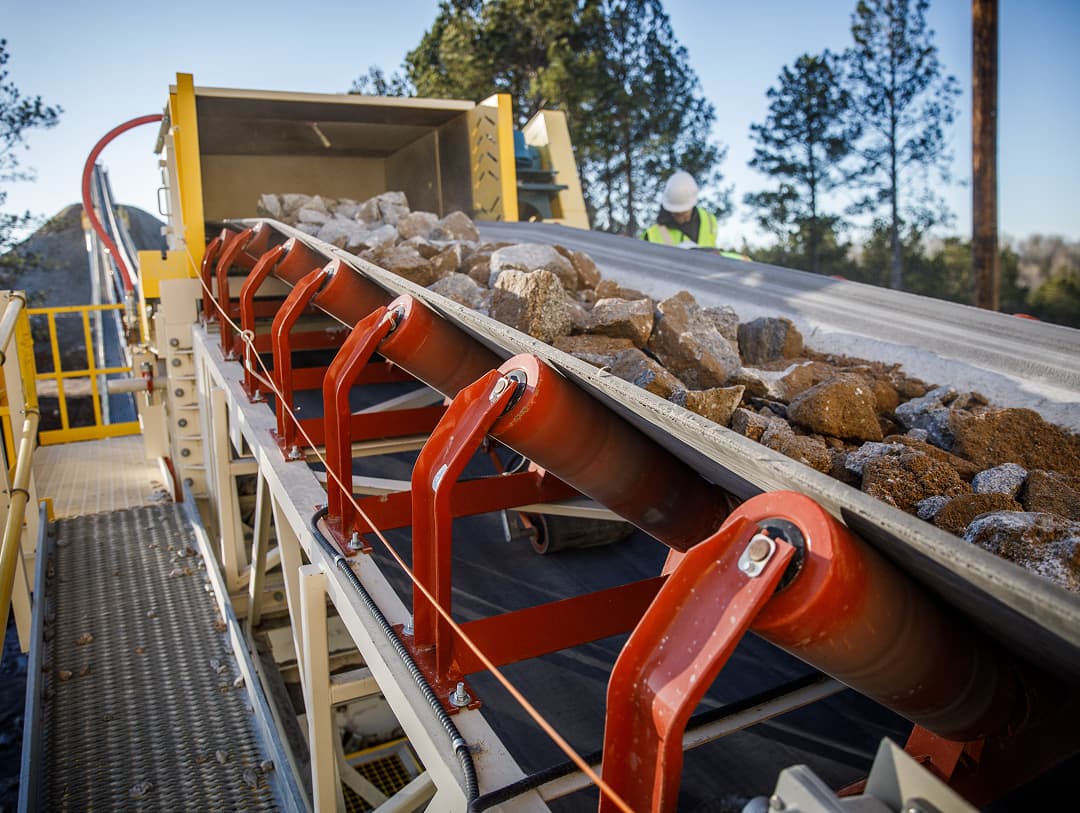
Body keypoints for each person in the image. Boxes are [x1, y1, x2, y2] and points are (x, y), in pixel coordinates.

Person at [641, 171, 718, 248]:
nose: (681, 218)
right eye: (677, 214)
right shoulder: (652, 235)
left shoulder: (710, 221)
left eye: (684, 213)